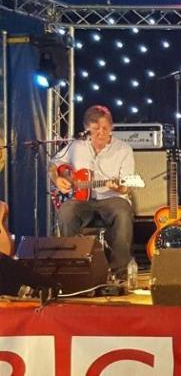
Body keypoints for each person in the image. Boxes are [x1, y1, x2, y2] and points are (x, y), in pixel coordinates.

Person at [50, 105, 135, 280]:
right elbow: (53, 164)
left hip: (111, 198)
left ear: (111, 127)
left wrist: (118, 187)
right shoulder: (75, 146)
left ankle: (119, 272)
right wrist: (57, 179)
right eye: (95, 129)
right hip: (81, 200)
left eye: (105, 128)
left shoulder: (124, 149)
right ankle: (73, 267)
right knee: (66, 212)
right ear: (87, 129)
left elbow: (127, 185)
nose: (100, 133)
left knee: (122, 213)